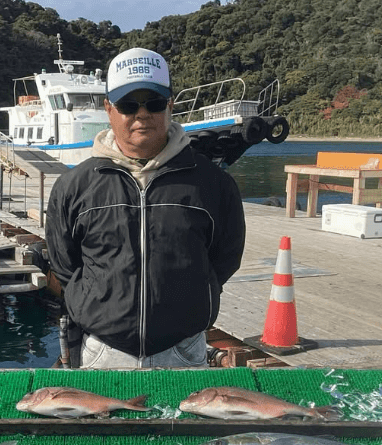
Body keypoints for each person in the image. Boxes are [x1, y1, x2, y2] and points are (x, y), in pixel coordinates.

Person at [45, 47, 246, 369]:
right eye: (128, 104)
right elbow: (65, 266)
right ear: (108, 108)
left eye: (153, 103)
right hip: (104, 350)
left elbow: (225, 259)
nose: (141, 114)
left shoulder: (214, 184)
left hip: (184, 349)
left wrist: (192, 302)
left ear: (170, 105)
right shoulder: (74, 186)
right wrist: (93, 306)